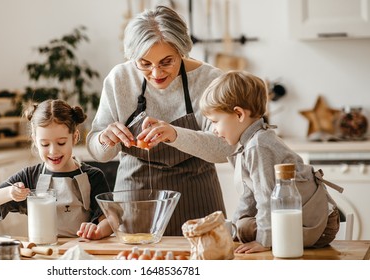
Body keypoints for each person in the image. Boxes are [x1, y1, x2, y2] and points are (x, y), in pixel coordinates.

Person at [86, 6, 235, 236]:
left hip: (198, 204)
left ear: (181, 51)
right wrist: (105, 140)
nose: (156, 73)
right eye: (145, 63)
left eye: (167, 62)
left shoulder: (210, 80)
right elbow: (99, 151)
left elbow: (225, 149)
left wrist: (175, 135)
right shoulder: (120, 79)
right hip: (134, 206)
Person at [199, 70, 342, 253]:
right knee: (242, 226)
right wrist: (231, 232)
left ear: (239, 114)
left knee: (247, 229)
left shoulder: (259, 147)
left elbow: (265, 197)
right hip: (302, 218)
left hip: (318, 225)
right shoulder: (251, 143)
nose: (213, 130)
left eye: (215, 121)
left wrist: (264, 242)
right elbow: (248, 196)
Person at [0, 99, 113, 240]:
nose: (53, 151)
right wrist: (9, 192)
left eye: (61, 143)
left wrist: (98, 230)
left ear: (75, 137)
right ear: (35, 141)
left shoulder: (93, 177)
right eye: (45, 144)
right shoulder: (29, 177)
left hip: (82, 249)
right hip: (44, 251)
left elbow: (109, 220)